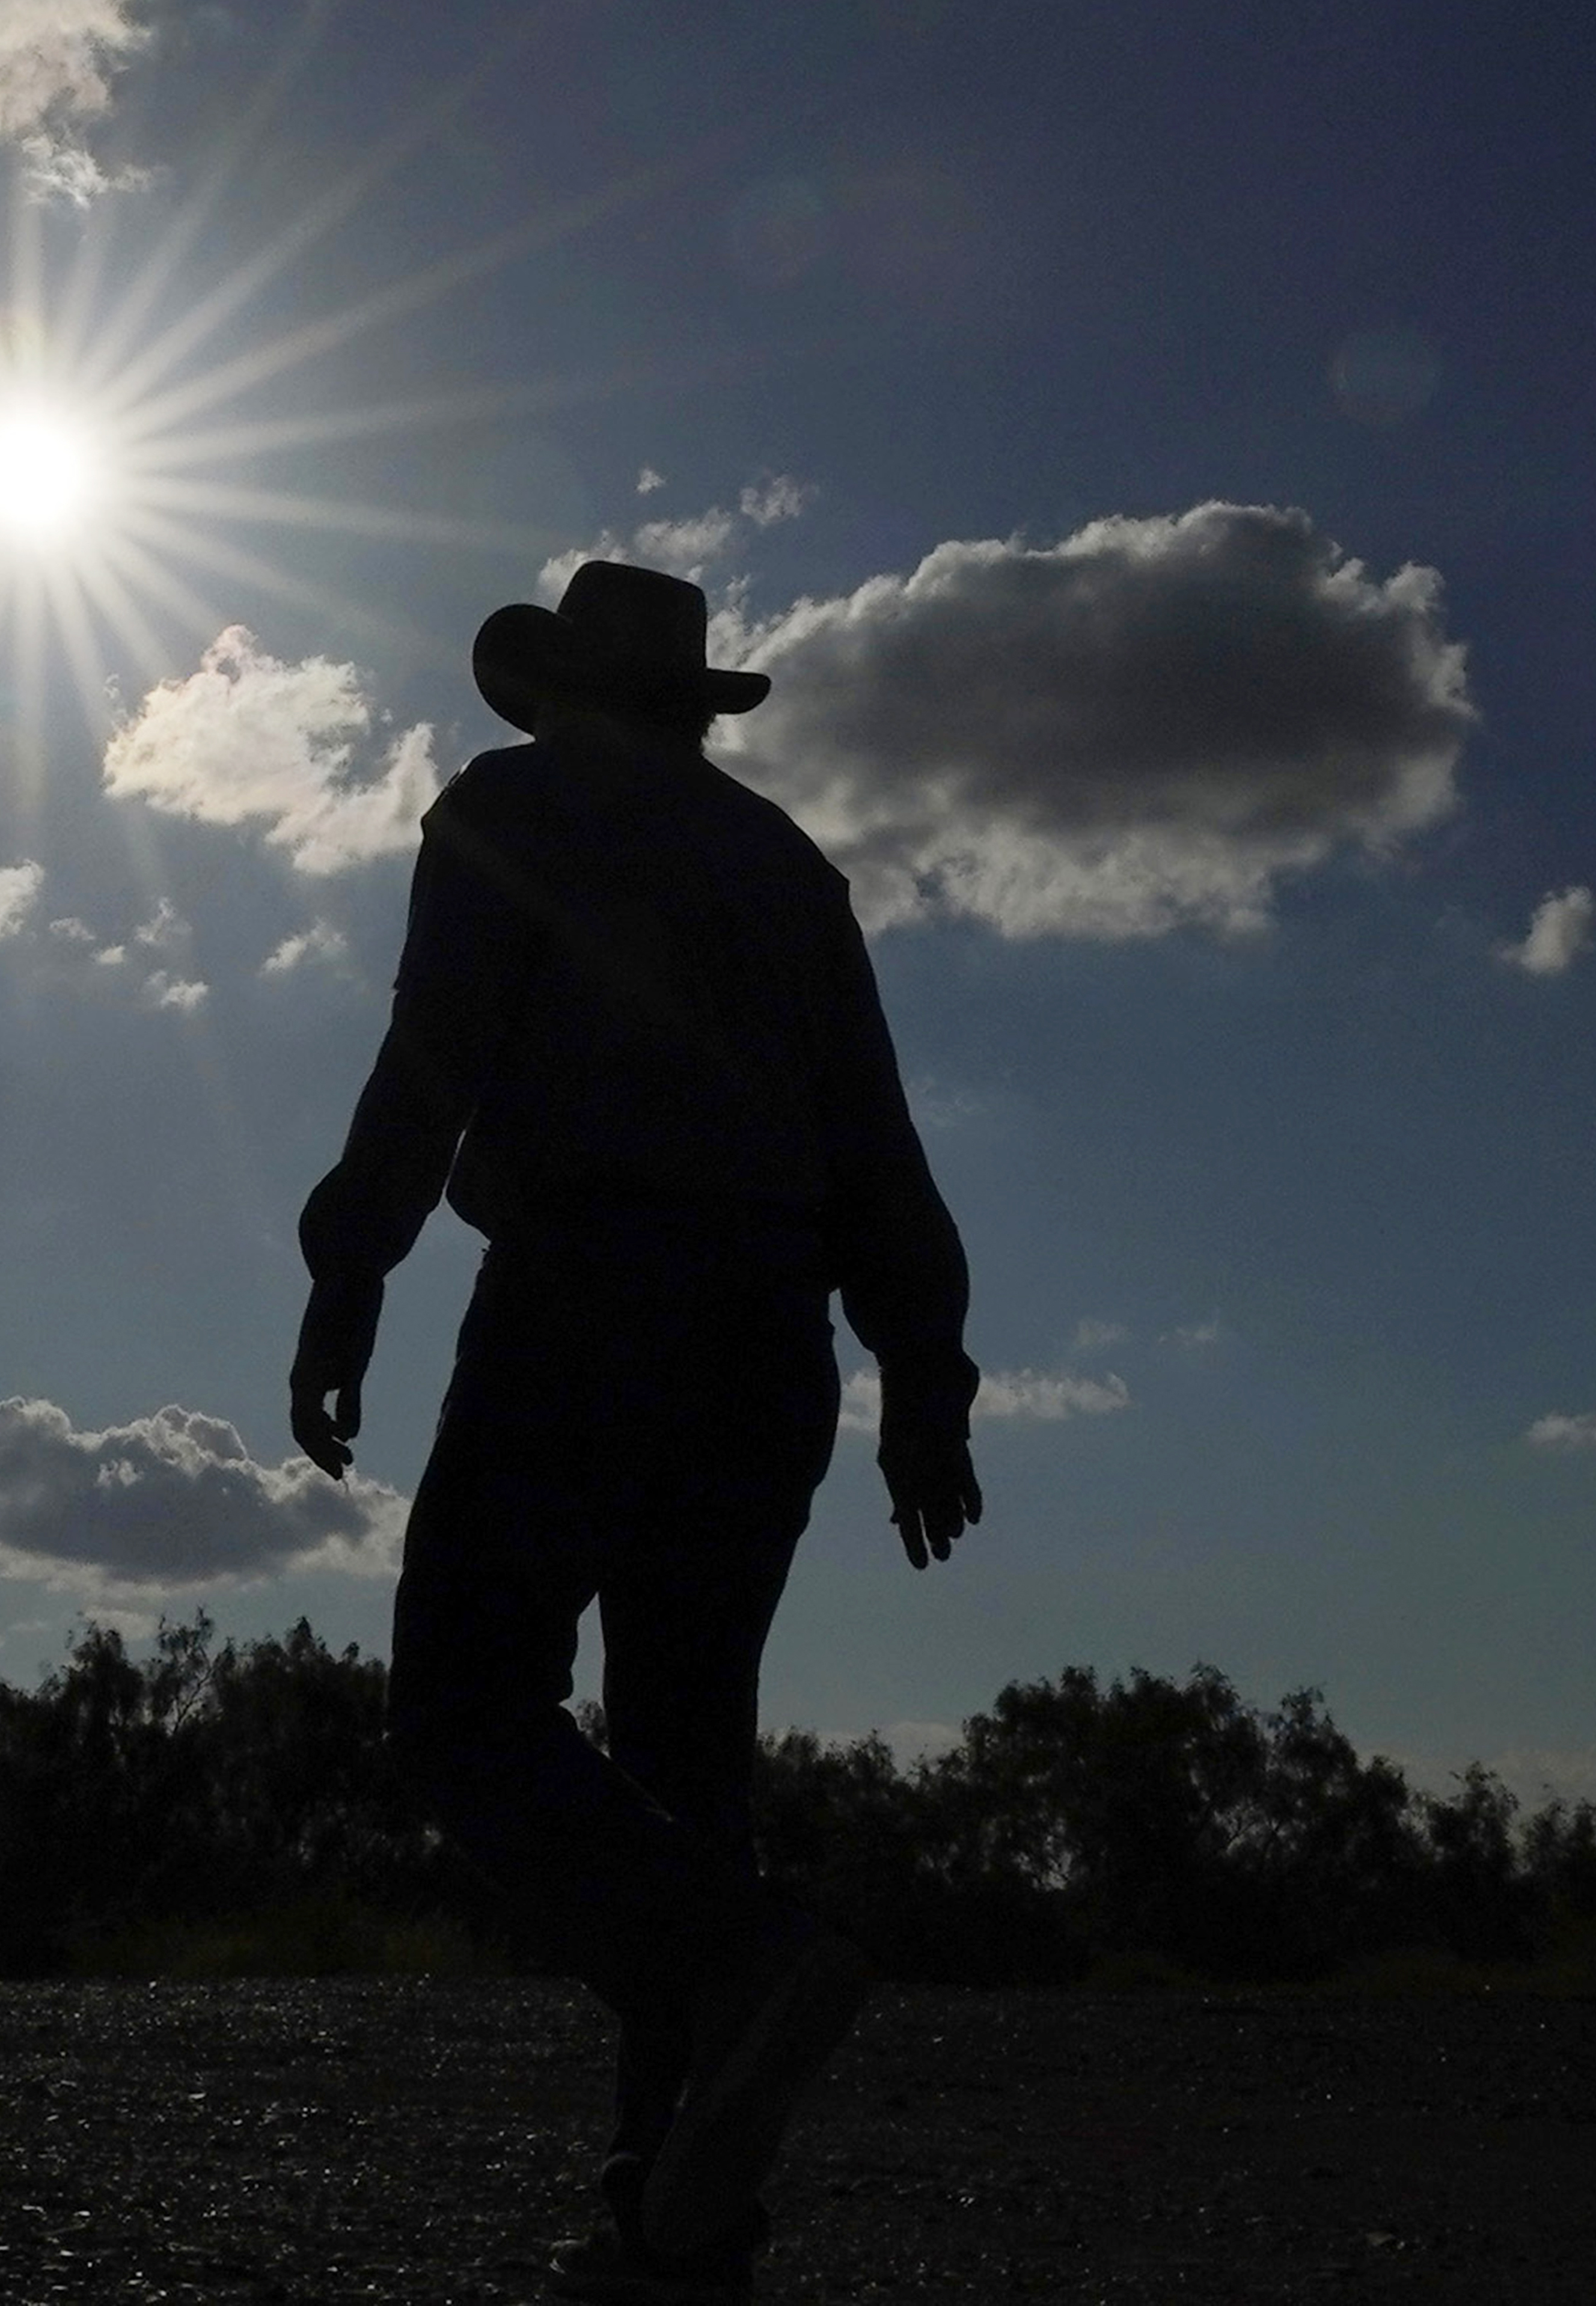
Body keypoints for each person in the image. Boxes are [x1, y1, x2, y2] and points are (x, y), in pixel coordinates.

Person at [288, 560, 983, 2304]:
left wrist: (353, 1268)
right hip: (774, 1338)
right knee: (685, 1765)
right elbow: (882, 1148)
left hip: (591, 1291)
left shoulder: (513, 807)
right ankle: (675, 2233)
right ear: (691, 703)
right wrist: (924, 1375)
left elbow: (429, 1061)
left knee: (463, 1708)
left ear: (561, 691)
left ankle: (747, 1967)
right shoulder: (787, 869)